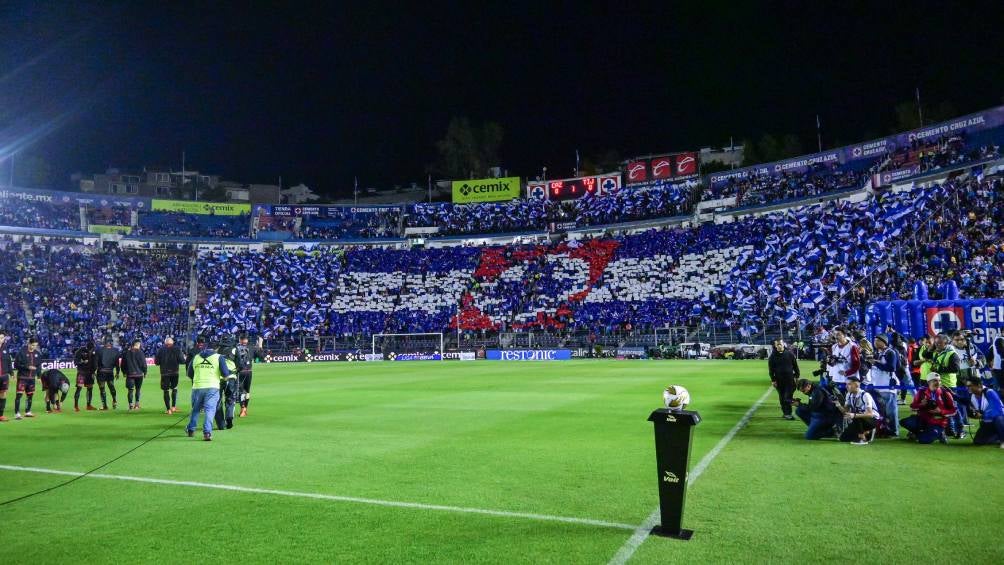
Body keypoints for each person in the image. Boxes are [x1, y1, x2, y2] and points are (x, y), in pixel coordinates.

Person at [186, 336, 232, 441]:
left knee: (195, 409)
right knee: (210, 410)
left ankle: (191, 430)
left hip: (197, 387)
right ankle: (207, 433)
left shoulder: (196, 357)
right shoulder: (218, 357)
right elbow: (225, 374)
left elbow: (189, 374)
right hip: (212, 387)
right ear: (216, 349)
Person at [900, 372, 956, 444]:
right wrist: (921, 404)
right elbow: (912, 407)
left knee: (924, 440)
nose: (938, 382)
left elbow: (954, 411)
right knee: (904, 422)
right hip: (923, 419)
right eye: (935, 380)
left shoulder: (945, 393)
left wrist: (941, 411)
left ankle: (940, 433)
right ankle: (918, 433)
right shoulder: (921, 392)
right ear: (929, 382)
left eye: (939, 380)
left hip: (938, 422)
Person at [930, 334, 965, 438]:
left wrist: (939, 370)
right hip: (939, 385)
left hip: (949, 385)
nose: (937, 345)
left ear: (946, 343)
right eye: (936, 343)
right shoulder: (937, 353)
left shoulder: (952, 354)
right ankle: (950, 429)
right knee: (943, 407)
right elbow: (926, 354)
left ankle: (961, 430)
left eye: (939, 343)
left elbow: (955, 369)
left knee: (953, 408)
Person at [869, 334, 902, 437]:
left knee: (891, 410)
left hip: (888, 384)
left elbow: (892, 368)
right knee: (882, 410)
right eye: (875, 341)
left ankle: (894, 431)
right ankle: (884, 429)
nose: (875, 343)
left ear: (884, 342)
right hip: (878, 384)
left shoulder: (890, 352)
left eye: (878, 341)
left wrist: (875, 363)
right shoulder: (879, 352)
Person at [965, 377, 1004, 447]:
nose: (968, 388)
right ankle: (997, 437)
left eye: (970, 386)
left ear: (979, 385)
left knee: (999, 419)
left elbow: (996, 409)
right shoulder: (972, 396)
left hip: (1000, 419)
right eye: (967, 386)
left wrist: (982, 415)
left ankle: (1003, 441)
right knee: (978, 441)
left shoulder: (990, 392)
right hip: (988, 422)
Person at [768, 338, 800, 420]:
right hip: (779, 381)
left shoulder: (789, 354)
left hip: (790, 380)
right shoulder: (772, 356)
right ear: (775, 346)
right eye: (777, 344)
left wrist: (797, 377)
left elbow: (795, 366)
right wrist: (773, 380)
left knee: (787, 397)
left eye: (780, 344)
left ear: (783, 344)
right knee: (782, 398)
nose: (779, 345)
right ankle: (785, 413)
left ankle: (788, 413)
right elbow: (771, 370)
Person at [155, 337, 186, 414]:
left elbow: (156, 362)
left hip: (165, 373)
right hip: (175, 372)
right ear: (172, 342)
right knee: (174, 388)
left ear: (165, 343)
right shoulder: (177, 349)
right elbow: (182, 361)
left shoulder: (161, 350)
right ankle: (173, 407)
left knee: (166, 390)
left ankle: (168, 410)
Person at [235, 333, 263, 417]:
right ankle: (244, 409)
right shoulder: (251, 347)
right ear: (247, 340)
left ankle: (243, 408)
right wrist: (260, 345)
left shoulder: (236, 347)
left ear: (240, 339)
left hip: (239, 372)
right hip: (249, 372)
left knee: (240, 391)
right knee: (247, 391)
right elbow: (261, 357)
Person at [14, 337, 42, 419]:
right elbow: (16, 365)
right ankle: (17, 413)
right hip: (22, 377)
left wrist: (39, 376)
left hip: (31, 379)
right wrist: (27, 367)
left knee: (30, 395)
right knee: (19, 395)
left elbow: (39, 366)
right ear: (29, 343)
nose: (34, 347)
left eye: (35, 346)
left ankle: (28, 411)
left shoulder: (37, 353)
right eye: (32, 345)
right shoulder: (21, 352)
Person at [214, 337, 239, 431]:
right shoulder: (234, 349)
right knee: (230, 398)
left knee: (217, 400)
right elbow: (239, 364)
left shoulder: (217, 350)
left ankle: (220, 424)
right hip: (231, 378)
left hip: (218, 379)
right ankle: (229, 418)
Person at [121, 339, 148, 411]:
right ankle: (137, 405)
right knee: (138, 389)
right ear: (137, 344)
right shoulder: (140, 352)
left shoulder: (126, 353)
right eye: (139, 344)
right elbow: (144, 364)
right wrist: (145, 372)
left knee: (130, 390)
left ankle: (130, 405)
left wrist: (124, 372)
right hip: (139, 375)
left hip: (130, 374)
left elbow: (123, 364)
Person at [95, 337, 121, 410]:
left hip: (101, 372)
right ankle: (114, 400)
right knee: (111, 387)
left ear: (104, 342)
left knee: (102, 389)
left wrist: (94, 371)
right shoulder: (116, 351)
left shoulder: (99, 350)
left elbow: (95, 362)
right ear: (111, 342)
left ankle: (104, 406)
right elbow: (117, 363)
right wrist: (118, 372)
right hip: (110, 372)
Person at [73, 341, 98, 411]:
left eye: (92, 349)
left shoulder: (94, 352)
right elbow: (75, 362)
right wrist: (82, 362)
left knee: (90, 389)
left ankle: (88, 405)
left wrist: (94, 372)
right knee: (79, 388)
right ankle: (76, 406)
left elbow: (95, 363)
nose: (91, 350)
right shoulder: (80, 351)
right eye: (91, 349)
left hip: (90, 373)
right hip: (82, 372)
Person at [0, 329, 15, 422]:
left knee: (3, 394)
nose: (1, 339)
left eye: (2, 338)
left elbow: (9, 362)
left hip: (4, 376)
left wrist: (12, 373)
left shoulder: (5, 348)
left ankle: (1, 415)